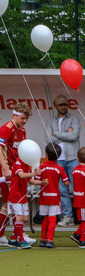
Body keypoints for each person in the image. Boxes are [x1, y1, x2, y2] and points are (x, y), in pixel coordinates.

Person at [0, 102, 32, 245]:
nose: (24, 121)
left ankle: (15, 235)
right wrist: (5, 168)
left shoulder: (22, 130)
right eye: (22, 118)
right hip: (7, 172)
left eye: (26, 118)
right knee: (10, 203)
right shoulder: (6, 129)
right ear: (14, 115)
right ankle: (14, 235)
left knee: (11, 203)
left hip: (17, 172)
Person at [46, 95, 81, 225]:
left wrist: (56, 134)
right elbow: (48, 139)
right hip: (58, 161)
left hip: (72, 159)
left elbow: (74, 136)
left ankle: (82, 217)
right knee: (62, 191)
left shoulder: (74, 119)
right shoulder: (50, 122)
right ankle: (68, 217)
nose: (63, 107)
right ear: (56, 106)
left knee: (78, 189)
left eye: (65, 104)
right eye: (60, 105)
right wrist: (67, 133)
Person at [37, 143, 70, 248]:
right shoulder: (59, 168)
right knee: (52, 218)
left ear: (46, 155)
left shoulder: (41, 167)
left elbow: (37, 180)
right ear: (59, 156)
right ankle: (50, 240)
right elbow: (66, 182)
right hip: (54, 197)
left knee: (45, 218)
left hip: (44, 196)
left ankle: (42, 239)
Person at [6, 150, 40, 248]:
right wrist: (34, 174)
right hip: (15, 195)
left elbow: (30, 181)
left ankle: (13, 238)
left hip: (22, 195)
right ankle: (21, 240)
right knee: (19, 217)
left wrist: (42, 182)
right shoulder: (17, 163)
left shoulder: (27, 165)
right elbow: (21, 175)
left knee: (24, 219)